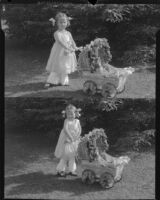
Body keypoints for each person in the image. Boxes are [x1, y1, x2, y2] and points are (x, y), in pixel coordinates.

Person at [45, 12, 82, 87]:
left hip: (68, 52)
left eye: (64, 22)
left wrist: (76, 47)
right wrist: (68, 48)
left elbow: (72, 41)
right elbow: (61, 42)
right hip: (59, 52)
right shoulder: (56, 33)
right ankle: (51, 81)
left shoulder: (68, 33)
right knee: (58, 65)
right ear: (57, 23)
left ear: (67, 23)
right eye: (60, 22)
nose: (63, 24)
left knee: (65, 65)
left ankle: (63, 81)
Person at [54, 104, 82, 177]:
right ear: (66, 114)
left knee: (73, 155)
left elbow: (79, 130)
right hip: (67, 140)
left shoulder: (77, 121)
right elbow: (66, 129)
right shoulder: (66, 121)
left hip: (75, 140)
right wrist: (71, 137)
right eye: (68, 114)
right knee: (65, 156)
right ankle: (60, 170)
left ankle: (72, 170)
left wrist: (76, 137)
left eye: (72, 114)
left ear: (75, 113)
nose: (70, 116)